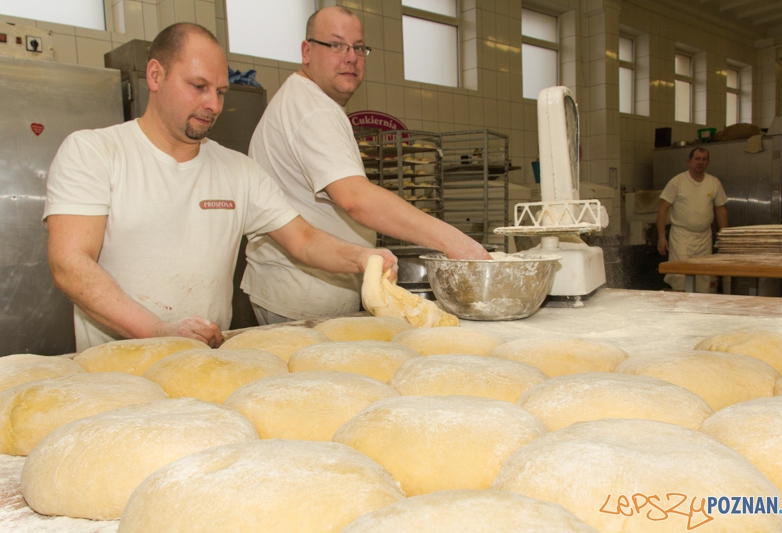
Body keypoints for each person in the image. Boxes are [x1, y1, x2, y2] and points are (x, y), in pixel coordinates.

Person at [43, 22, 395, 352]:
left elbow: (303, 239)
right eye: (198, 87)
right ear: (155, 75)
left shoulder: (238, 171)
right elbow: (70, 263)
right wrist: (158, 330)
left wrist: (362, 258)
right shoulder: (94, 152)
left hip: (203, 361)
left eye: (221, 91)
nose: (213, 105)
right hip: (116, 366)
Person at [244, 5, 491, 325]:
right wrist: (454, 241)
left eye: (358, 47)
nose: (350, 57)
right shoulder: (312, 111)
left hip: (303, 291)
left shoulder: (306, 101)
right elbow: (355, 199)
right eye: (335, 45)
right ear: (307, 51)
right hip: (301, 297)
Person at [656, 147, 729, 292]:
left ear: (708, 162)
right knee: (680, 276)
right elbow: (663, 209)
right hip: (681, 237)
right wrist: (661, 236)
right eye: (697, 159)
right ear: (689, 161)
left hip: (704, 237)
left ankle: (699, 310)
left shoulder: (714, 183)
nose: (700, 162)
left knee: (703, 277)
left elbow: (721, 209)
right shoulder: (677, 181)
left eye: (704, 159)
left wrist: (725, 237)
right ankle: (681, 310)